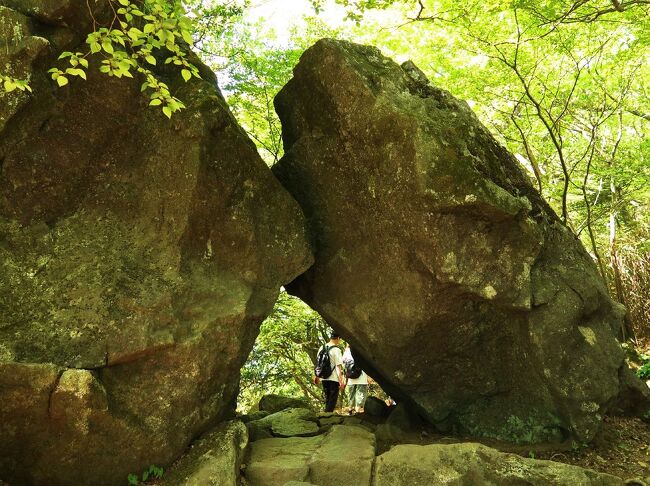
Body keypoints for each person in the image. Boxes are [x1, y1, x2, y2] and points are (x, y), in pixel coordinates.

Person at [313, 332, 345, 412]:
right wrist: (341, 381)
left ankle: (325, 416)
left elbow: (318, 364)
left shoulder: (321, 347)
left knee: (327, 398)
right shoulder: (336, 350)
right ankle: (327, 417)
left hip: (324, 377)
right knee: (332, 400)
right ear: (338, 338)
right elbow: (338, 366)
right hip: (333, 378)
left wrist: (317, 376)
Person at [342, 345, 369, 414]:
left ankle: (350, 409)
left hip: (350, 376)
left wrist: (344, 377)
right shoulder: (361, 349)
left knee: (351, 394)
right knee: (360, 393)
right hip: (362, 376)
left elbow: (343, 363)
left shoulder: (346, 351)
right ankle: (358, 410)